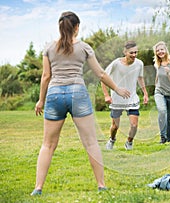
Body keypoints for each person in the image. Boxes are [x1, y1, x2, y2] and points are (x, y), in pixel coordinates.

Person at [31, 11, 130, 196]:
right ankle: (101, 185)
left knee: (48, 144)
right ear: (76, 27)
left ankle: (38, 188)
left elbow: (46, 76)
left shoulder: (49, 48)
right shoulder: (84, 47)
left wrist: (41, 100)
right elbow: (100, 73)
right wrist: (117, 89)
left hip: (54, 94)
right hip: (77, 93)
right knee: (91, 143)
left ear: (60, 27)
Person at [102, 40, 148, 150]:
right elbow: (103, 78)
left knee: (134, 125)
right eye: (131, 53)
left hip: (132, 98)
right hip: (117, 99)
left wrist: (145, 93)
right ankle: (112, 140)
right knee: (115, 126)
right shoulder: (116, 64)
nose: (134, 55)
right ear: (125, 52)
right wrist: (106, 95)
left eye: (136, 52)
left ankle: (129, 142)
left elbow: (140, 78)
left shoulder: (139, 63)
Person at [153, 41, 170, 143]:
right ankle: (162, 137)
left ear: (165, 50)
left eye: (162, 49)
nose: (160, 52)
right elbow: (157, 76)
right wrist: (156, 87)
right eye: (158, 50)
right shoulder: (157, 64)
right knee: (162, 111)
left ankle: (168, 138)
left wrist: (168, 73)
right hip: (159, 92)